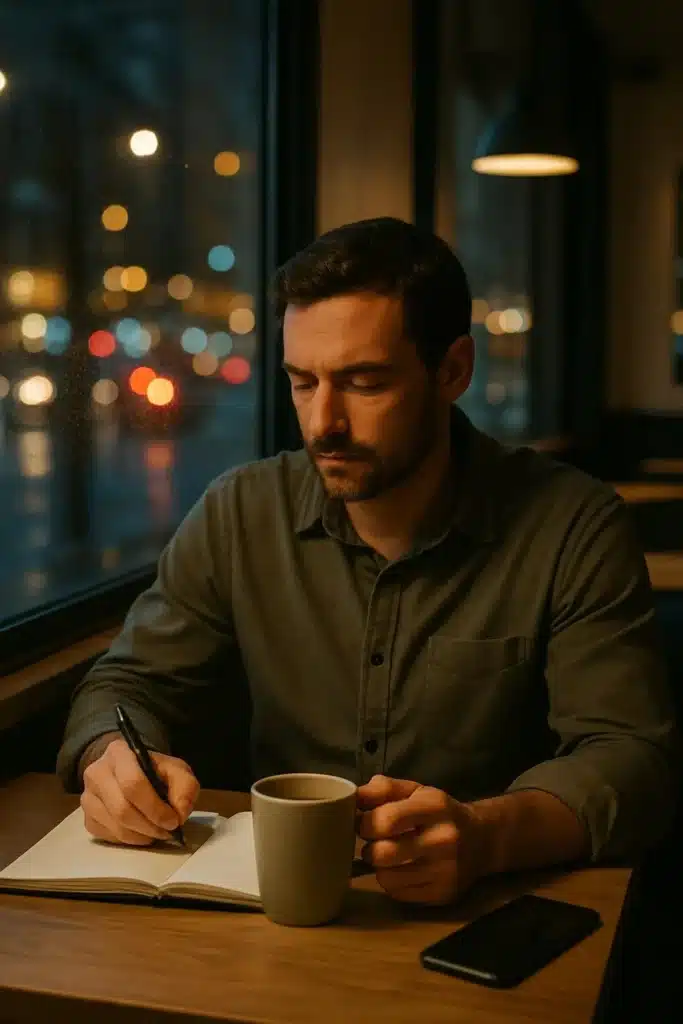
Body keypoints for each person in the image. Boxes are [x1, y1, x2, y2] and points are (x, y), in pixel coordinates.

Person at [57, 216, 678, 907]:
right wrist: (111, 764)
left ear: (452, 371)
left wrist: (483, 835)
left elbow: (631, 760)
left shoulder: (571, 525)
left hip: (479, 911)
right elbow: (127, 684)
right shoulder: (240, 512)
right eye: (302, 383)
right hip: (269, 911)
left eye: (363, 382)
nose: (323, 422)